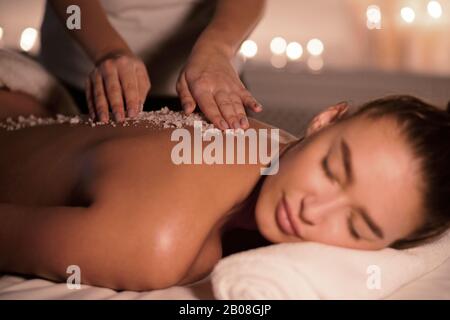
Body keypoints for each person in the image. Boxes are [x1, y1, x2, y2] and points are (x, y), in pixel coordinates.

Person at [0, 88, 449, 291]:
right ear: (325, 120)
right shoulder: (160, 244)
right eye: (332, 168)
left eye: (356, 224)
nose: (315, 209)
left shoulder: (275, 145)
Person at [40, 0, 265, 130]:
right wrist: (107, 50)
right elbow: (71, 9)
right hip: (82, 78)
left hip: (208, 81)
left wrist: (217, 48)